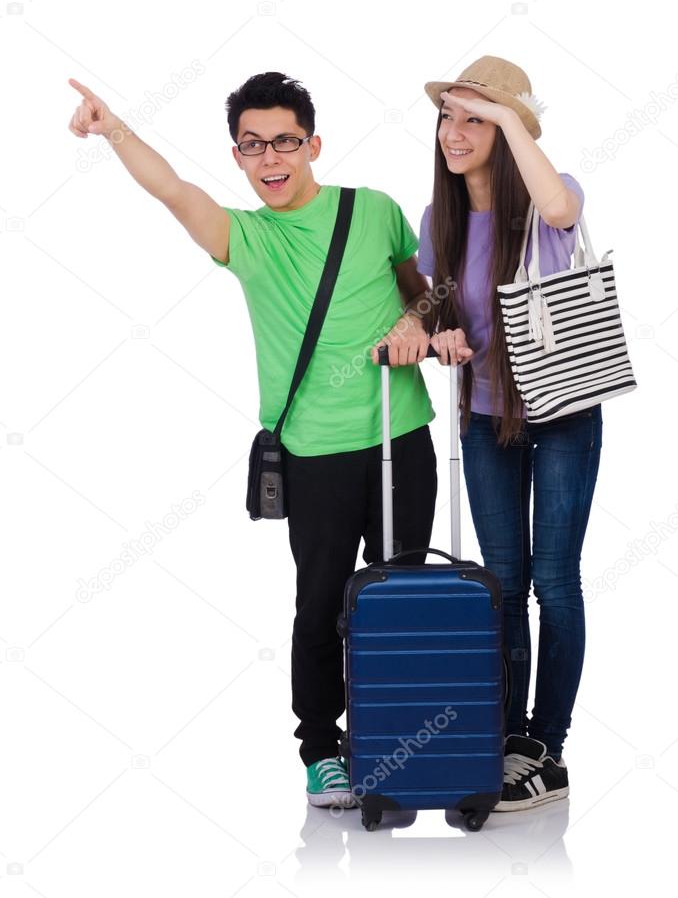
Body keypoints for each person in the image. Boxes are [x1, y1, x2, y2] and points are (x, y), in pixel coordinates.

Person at [67, 70, 440, 809]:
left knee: (401, 594)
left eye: (285, 142)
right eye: (253, 145)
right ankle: (322, 748)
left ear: (313, 144)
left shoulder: (374, 210)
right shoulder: (245, 236)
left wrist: (417, 324)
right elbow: (172, 189)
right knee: (322, 601)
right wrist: (114, 129)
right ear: (237, 154)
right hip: (314, 452)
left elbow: (422, 291)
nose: (271, 158)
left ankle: (397, 736)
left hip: (404, 437)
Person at [377, 55, 603, 811]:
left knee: (554, 581)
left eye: (475, 118)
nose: (456, 131)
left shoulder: (549, 196)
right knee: (501, 587)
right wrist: (431, 332)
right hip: (485, 418)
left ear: (509, 130)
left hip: (566, 412)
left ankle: (549, 746)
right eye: (449, 116)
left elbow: (564, 214)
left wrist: (509, 114)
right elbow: (438, 307)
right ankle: (505, 737)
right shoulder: (439, 219)